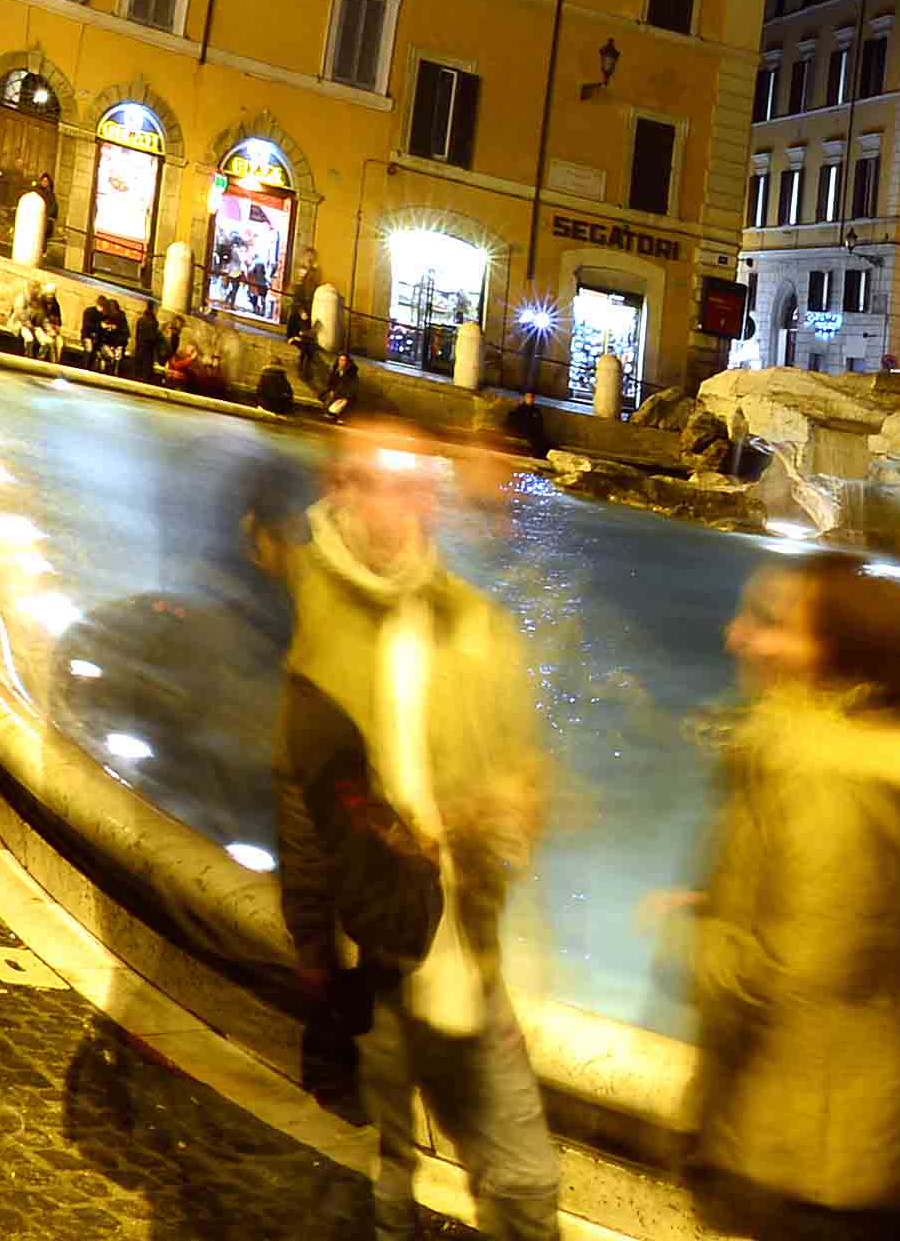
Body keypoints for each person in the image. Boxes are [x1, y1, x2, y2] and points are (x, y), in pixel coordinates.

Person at [672, 555, 900, 1239]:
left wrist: (702, 942)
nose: (737, 635)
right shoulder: (882, 752)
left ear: (835, 656)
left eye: (770, 623)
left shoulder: (829, 780)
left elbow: (811, 965)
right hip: (875, 1113)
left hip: (810, 1145)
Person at [271, 421, 561, 1241]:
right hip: (378, 949)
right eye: (377, 480)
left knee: (527, 1182)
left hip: (463, 947)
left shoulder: (474, 624)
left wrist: (516, 810)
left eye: (413, 483)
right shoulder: (312, 612)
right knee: (397, 1162)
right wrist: (318, 966)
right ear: (340, 489)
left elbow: (519, 777)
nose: (401, 503)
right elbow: (303, 801)